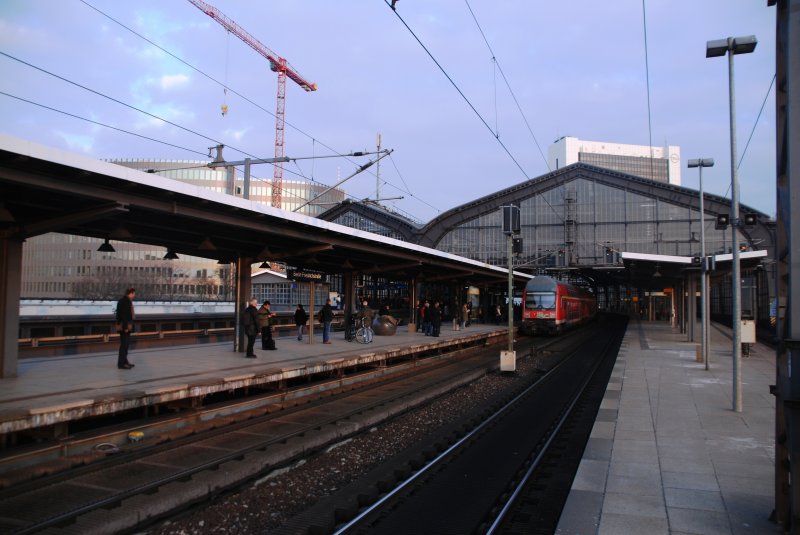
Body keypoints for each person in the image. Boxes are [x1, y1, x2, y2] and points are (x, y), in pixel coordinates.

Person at [116, 287, 136, 369]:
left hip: (125, 326)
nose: (134, 295)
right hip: (125, 327)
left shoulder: (124, 300)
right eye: (134, 294)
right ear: (130, 293)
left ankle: (125, 362)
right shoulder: (126, 301)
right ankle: (121, 364)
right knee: (124, 345)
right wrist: (125, 328)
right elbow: (124, 315)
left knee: (125, 345)